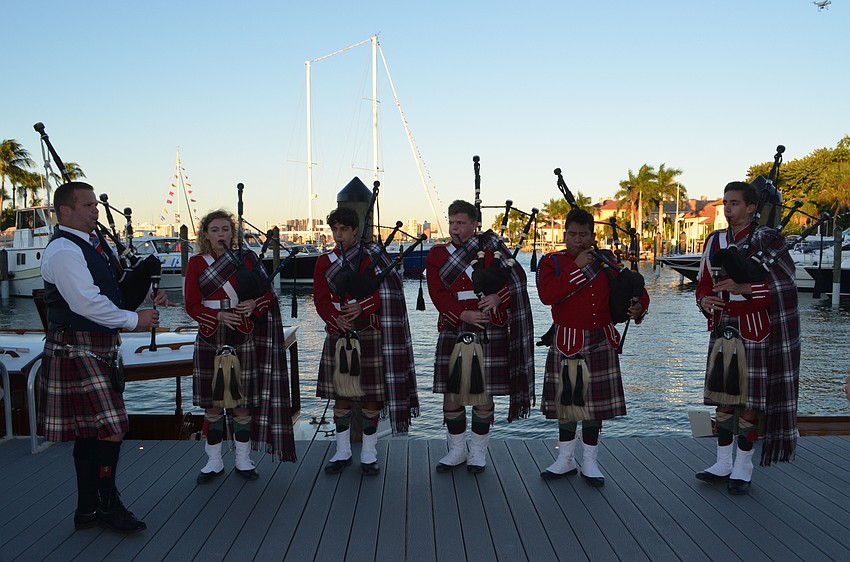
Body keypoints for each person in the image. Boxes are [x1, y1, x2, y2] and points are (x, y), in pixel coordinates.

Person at [38, 181, 164, 534]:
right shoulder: (64, 250)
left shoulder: (92, 245)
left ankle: (87, 509)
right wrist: (134, 320)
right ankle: (108, 505)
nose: (96, 210)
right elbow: (87, 303)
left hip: (95, 346)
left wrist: (147, 291)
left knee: (90, 432)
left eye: (95, 204)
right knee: (112, 428)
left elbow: (115, 287)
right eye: (88, 205)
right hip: (77, 345)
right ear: (66, 210)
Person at [694, 181, 800, 495]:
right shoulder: (715, 240)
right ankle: (722, 463)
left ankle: (744, 466)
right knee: (723, 401)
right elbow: (703, 284)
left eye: (735, 203)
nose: (728, 208)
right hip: (723, 329)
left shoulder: (768, 240)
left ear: (751, 207)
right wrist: (704, 301)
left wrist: (746, 289)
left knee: (749, 403)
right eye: (725, 202)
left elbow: (786, 287)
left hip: (755, 328)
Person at [536, 208, 649, 487]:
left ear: (592, 235)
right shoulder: (553, 262)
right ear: (564, 234)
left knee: (594, 409)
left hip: (601, 339)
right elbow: (547, 296)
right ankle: (565, 460)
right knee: (567, 405)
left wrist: (638, 308)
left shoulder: (607, 261)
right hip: (568, 341)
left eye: (583, 235)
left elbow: (637, 290)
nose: (577, 240)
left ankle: (590, 461)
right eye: (572, 235)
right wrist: (578, 267)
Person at [184, 210, 297, 485]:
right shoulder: (197, 263)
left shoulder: (246, 259)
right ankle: (213, 461)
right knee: (212, 405)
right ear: (205, 234)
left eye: (225, 229)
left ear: (232, 233)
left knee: (242, 403)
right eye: (214, 230)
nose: (221, 234)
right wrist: (219, 316)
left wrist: (254, 304)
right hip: (211, 334)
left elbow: (267, 295)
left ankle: (244, 460)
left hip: (243, 334)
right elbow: (191, 304)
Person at [426, 199, 535, 474]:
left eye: (461, 223)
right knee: (452, 395)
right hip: (455, 326)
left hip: (488, 328)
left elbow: (517, 280)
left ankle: (477, 452)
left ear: (475, 225)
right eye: (452, 223)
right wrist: (462, 314)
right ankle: (457, 451)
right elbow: (437, 292)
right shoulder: (438, 255)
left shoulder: (491, 249)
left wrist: (499, 297)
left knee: (483, 395)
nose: (455, 229)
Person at [314, 206, 418, 475]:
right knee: (342, 396)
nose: (339, 235)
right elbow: (321, 298)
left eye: (344, 230)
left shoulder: (371, 255)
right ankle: (342, 450)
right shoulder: (325, 261)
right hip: (340, 332)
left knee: (372, 396)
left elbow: (391, 288)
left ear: (355, 231)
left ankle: (369, 452)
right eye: (335, 230)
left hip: (370, 331)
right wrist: (334, 319)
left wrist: (365, 306)